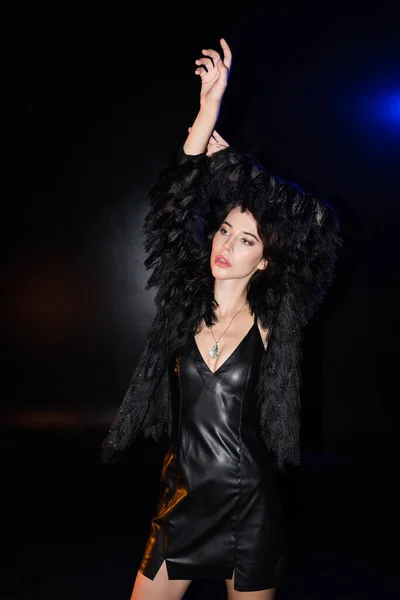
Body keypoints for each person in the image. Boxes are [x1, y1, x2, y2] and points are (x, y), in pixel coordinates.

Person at [101, 38, 342, 600]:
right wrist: (206, 115)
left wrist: (238, 172)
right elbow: (170, 211)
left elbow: (315, 227)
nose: (227, 245)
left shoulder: (273, 318)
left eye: (247, 238)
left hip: (250, 508)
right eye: (224, 230)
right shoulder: (183, 303)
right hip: (180, 499)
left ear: (267, 260)